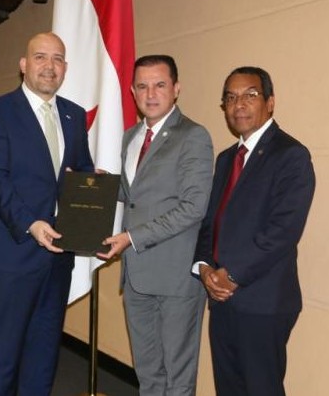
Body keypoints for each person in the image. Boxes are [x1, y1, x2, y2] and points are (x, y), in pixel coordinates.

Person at [0, 32, 94, 395]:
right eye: (40, 57)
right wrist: (30, 223)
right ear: (23, 65)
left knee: (43, 354)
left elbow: (80, 171)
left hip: (59, 257)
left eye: (57, 59)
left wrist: (92, 184)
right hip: (16, 253)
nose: (49, 66)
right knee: (3, 355)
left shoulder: (73, 115)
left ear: (66, 68)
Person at [194, 66, 315, 396]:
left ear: (270, 102)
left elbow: (283, 230)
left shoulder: (291, 155)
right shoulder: (225, 159)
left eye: (250, 95)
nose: (239, 105)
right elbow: (209, 224)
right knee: (229, 388)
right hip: (221, 300)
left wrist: (232, 276)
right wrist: (204, 269)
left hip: (263, 302)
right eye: (230, 98)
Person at [97, 55, 214, 395]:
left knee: (177, 377)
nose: (151, 94)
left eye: (160, 85)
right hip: (136, 277)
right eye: (143, 86)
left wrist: (132, 237)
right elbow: (136, 194)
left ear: (176, 89)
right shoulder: (131, 136)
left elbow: (194, 206)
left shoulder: (193, 136)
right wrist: (101, 185)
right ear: (133, 92)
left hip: (175, 278)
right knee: (148, 373)